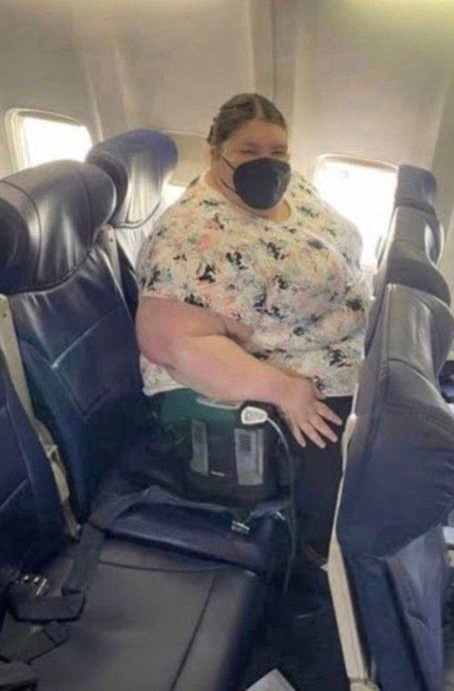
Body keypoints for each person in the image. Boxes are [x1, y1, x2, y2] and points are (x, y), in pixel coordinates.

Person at [135, 93, 370, 558]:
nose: (268, 164)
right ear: (214, 153)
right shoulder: (191, 237)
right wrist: (285, 391)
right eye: (248, 151)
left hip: (338, 343)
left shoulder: (290, 188)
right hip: (266, 380)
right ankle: (323, 558)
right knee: (364, 457)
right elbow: (172, 345)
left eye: (278, 151)